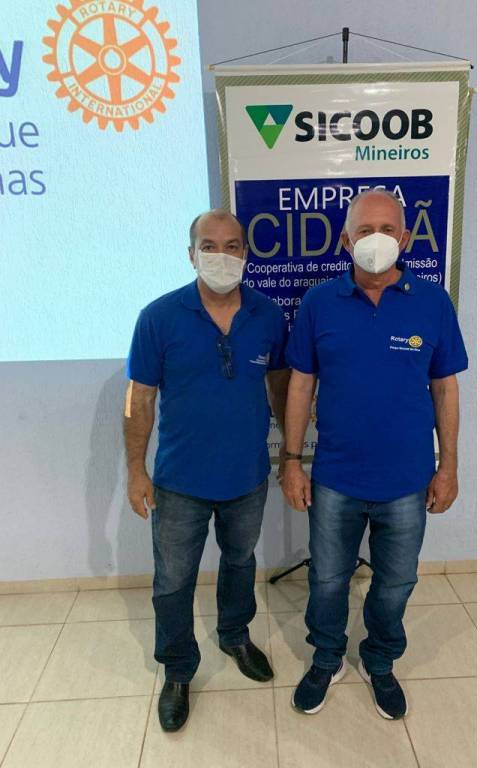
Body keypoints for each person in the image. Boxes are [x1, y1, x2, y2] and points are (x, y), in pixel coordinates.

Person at [281, 188, 468, 719]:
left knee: (396, 581)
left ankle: (380, 659)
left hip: (407, 479)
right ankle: (326, 658)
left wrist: (449, 466)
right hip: (336, 476)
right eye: (364, 231)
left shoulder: (432, 302)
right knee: (327, 579)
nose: (376, 239)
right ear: (346, 241)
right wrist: (291, 462)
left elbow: (445, 388)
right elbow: (300, 384)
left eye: (387, 230)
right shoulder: (319, 302)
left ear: (405, 238)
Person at [124, 210, 289, 732]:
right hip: (179, 482)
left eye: (232, 245)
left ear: (246, 253)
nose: (222, 255)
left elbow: (280, 386)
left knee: (239, 562)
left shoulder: (267, 315)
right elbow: (139, 399)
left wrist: (291, 454)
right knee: (173, 580)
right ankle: (178, 669)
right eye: (210, 245)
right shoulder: (158, 317)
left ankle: (234, 636)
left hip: (247, 477)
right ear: (191, 254)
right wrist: (135, 470)